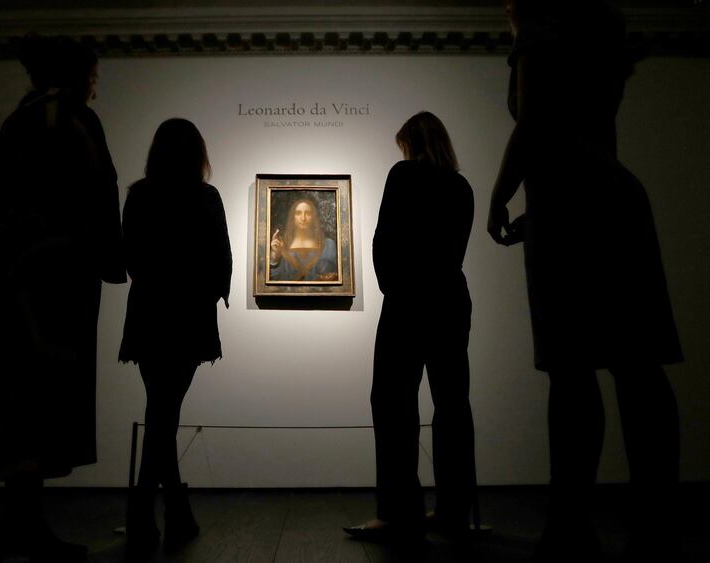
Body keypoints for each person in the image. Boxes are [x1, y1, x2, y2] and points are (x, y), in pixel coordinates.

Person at [487, 1, 683, 561]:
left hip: (569, 209)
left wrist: (502, 193)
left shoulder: (540, 32)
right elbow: (589, 138)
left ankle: (570, 526)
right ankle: (657, 526)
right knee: (637, 367)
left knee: (572, 374)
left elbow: (532, 122)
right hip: (615, 198)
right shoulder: (599, 35)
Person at [0, 35, 125, 562]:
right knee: (39, 394)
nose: (94, 88)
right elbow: (99, 193)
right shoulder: (70, 120)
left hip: (10, 262)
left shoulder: (17, 121)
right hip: (53, 270)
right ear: (74, 76)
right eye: (91, 77)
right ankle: (19, 523)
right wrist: (112, 262)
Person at [345, 111, 476, 549]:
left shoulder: (403, 174)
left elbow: (384, 241)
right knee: (453, 405)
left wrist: (391, 287)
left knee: (392, 402)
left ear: (410, 143)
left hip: (407, 301)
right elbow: (454, 250)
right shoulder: (461, 187)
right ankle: (457, 511)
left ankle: (399, 512)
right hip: (450, 299)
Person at [119, 118, 232, 556]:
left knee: (161, 412)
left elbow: (131, 259)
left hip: (151, 315)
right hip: (188, 316)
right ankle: (156, 513)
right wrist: (208, 291)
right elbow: (220, 258)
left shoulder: (140, 195)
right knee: (165, 414)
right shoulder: (205, 197)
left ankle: (158, 514)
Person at [269, 197, 338, 281]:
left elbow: (336, 278)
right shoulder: (282, 245)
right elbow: (274, 281)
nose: (303, 218)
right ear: (292, 217)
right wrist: (275, 257)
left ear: (314, 217)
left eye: (308, 213)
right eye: (298, 213)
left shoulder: (329, 245)